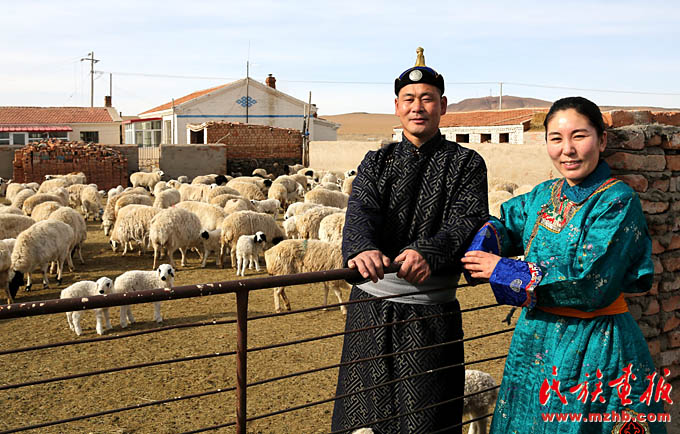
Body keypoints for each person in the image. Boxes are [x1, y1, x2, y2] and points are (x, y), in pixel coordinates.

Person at [461, 96, 668, 434]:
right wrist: (475, 248)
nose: (567, 150)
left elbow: (590, 282)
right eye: (555, 138)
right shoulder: (544, 195)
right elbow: (506, 224)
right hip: (534, 340)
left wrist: (501, 269)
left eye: (579, 136)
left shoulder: (617, 201)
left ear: (601, 140)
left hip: (594, 343)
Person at [331, 48, 489, 433]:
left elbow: (467, 219)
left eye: (427, 98)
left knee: (427, 417)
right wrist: (362, 247)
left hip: (430, 315)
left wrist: (429, 251)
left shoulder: (467, 164)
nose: (418, 107)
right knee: (364, 416)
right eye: (409, 99)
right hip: (370, 311)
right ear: (397, 107)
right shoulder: (376, 162)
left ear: (443, 106)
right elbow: (361, 211)